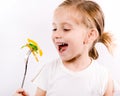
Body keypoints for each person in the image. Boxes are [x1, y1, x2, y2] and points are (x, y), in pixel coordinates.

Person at [14, 0, 115, 96]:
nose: (56, 35)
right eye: (54, 29)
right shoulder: (48, 71)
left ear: (90, 35)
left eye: (66, 29)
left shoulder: (103, 78)